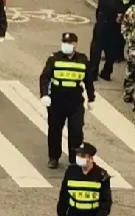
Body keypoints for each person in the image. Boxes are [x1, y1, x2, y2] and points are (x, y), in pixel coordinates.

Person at [40, 31, 95, 167]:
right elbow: (45, 77)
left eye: (70, 43)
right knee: (55, 129)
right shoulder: (54, 58)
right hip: (57, 99)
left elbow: (88, 80)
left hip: (75, 100)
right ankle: (54, 157)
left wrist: (91, 97)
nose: (66, 45)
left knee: (76, 130)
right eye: (65, 42)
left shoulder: (82, 60)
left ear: (75, 44)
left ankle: (74, 158)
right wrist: (44, 94)